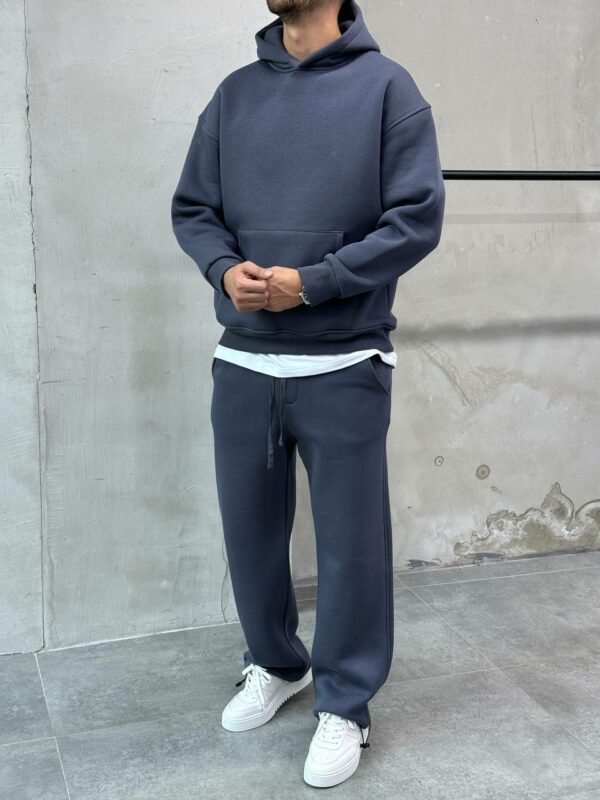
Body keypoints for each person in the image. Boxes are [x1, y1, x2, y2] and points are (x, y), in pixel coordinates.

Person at [171, 0, 445, 787]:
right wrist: (224, 268)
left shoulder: (388, 90)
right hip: (244, 359)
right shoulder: (234, 94)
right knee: (250, 535)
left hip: (345, 359)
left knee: (352, 549)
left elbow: (416, 219)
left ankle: (346, 704)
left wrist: (315, 283)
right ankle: (275, 663)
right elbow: (194, 209)